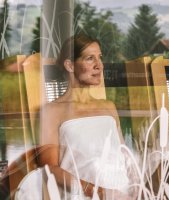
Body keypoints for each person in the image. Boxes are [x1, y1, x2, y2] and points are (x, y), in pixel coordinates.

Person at [38, 34, 136, 199]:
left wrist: (137, 186)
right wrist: (98, 192)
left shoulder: (108, 107)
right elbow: (50, 168)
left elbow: (123, 155)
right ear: (70, 65)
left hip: (122, 193)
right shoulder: (52, 111)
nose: (99, 65)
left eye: (100, 57)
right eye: (90, 58)